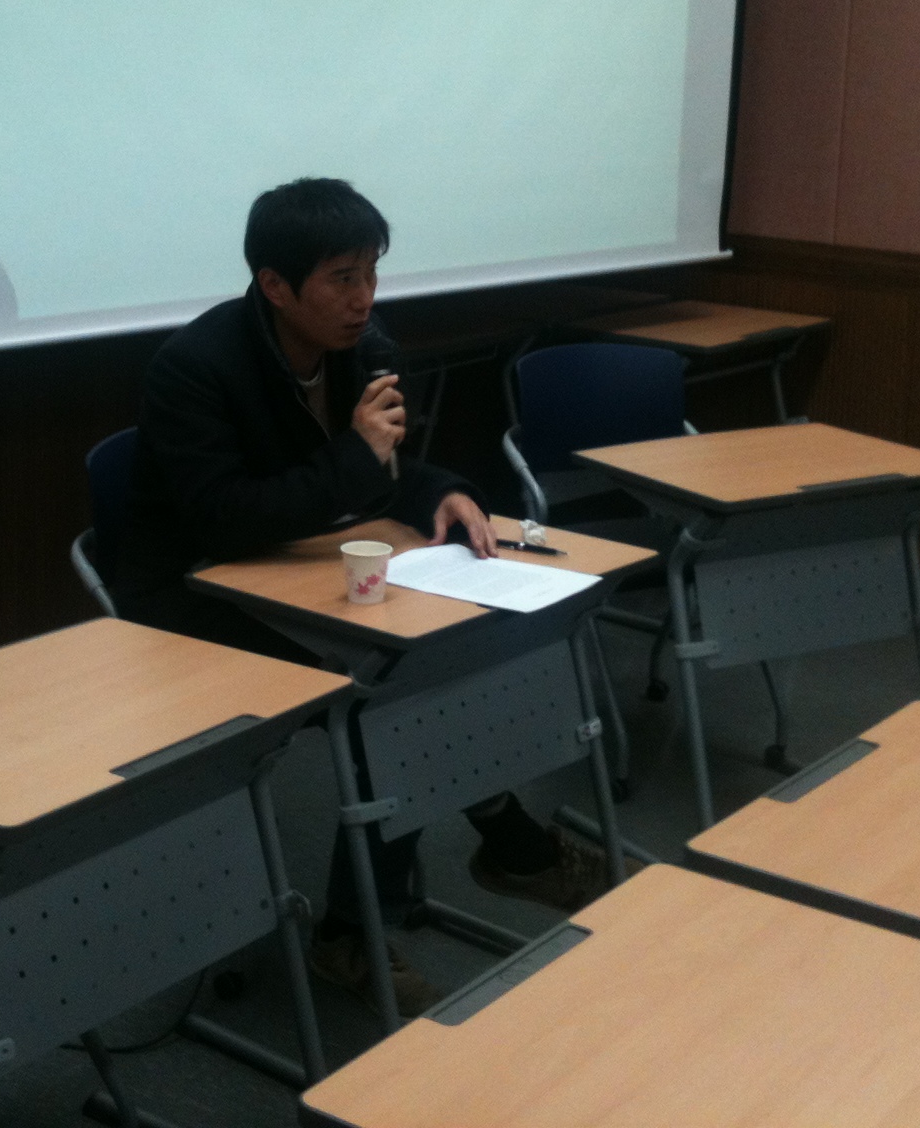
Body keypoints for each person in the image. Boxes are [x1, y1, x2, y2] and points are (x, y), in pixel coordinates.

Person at [111, 177, 624, 1016]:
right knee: (386, 697)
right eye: (342, 279)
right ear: (275, 286)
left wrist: (441, 490)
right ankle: (446, 880)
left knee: (432, 667)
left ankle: (435, 882)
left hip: (302, 566)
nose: (364, 299)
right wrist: (356, 460)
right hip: (189, 597)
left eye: (371, 273)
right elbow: (224, 519)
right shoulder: (195, 368)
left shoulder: (367, 348)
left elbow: (382, 468)